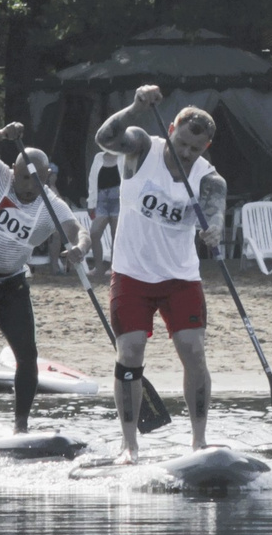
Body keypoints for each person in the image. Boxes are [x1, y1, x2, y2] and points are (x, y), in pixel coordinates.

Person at [95, 86, 224, 462]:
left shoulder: (208, 178)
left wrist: (213, 229)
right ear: (170, 129)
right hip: (132, 272)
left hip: (180, 276)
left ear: (206, 148)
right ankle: (129, 445)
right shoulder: (142, 147)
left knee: (194, 352)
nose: (186, 153)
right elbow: (105, 138)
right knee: (131, 352)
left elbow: (215, 211)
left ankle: (198, 441)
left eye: (195, 149)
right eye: (182, 143)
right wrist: (135, 106)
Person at [0, 122, 85, 437]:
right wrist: (0, 134)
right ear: (14, 170)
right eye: (23, 178)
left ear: (47, 177)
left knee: (28, 354)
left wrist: (80, 247)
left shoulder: (50, 201)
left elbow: (78, 230)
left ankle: (21, 427)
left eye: (35, 181)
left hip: (11, 283)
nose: (28, 187)